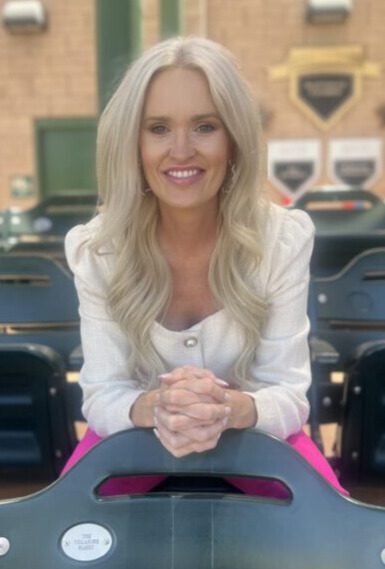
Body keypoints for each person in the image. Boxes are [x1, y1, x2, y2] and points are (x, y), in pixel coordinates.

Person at [63, 35, 346, 496]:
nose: (180, 150)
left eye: (204, 126)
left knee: (335, 546)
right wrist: (157, 407)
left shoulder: (285, 237)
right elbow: (103, 394)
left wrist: (228, 408)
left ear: (233, 138)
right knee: (64, 548)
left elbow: (288, 393)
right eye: (157, 128)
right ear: (132, 143)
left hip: (259, 437)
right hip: (132, 438)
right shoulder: (95, 249)